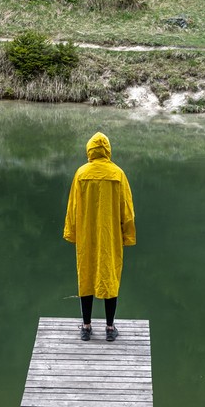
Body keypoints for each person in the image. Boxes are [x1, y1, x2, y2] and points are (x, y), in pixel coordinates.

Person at [63, 132, 135, 342]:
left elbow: (72, 207)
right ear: (108, 150)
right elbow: (127, 210)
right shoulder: (118, 174)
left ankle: (86, 327)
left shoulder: (81, 173)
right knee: (109, 276)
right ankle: (110, 328)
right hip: (110, 234)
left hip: (87, 234)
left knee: (85, 275)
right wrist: (127, 235)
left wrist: (72, 233)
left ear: (90, 150)